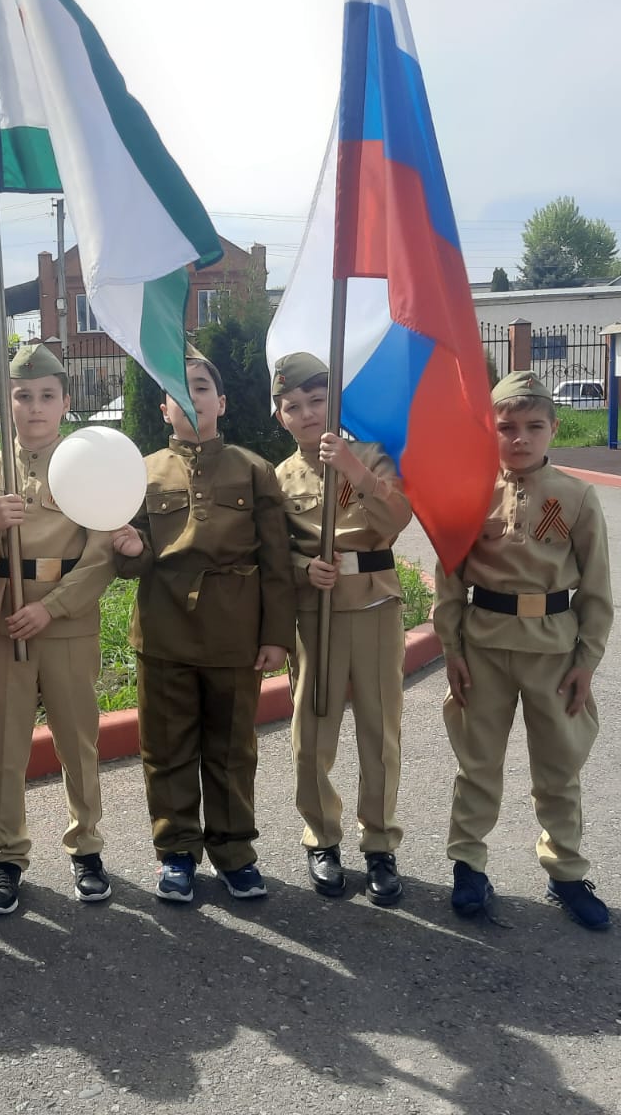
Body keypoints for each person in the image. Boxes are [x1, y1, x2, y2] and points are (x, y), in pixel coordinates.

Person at [433, 370, 614, 931]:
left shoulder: (577, 497)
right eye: (506, 427)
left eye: (534, 426)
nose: (519, 438)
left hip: (553, 653)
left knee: (559, 766)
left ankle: (565, 871)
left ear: (553, 429)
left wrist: (586, 661)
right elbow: (449, 577)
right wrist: (452, 649)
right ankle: (468, 864)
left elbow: (597, 588)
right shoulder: (471, 493)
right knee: (477, 763)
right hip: (484, 647)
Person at [111, 348, 293, 904]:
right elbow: (131, 564)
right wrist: (128, 547)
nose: (191, 399)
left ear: (223, 401)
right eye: (178, 390)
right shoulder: (139, 473)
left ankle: (235, 852)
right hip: (164, 628)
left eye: (201, 387)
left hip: (234, 631)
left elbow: (277, 562)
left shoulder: (253, 469)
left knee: (233, 749)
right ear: (164, 407)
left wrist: (275, 635)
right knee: (166, 749)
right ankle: (177, 854)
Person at [0, 343, 115, 916]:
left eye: (47, 396)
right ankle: (6, 854)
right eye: (23, 396)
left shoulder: (89, 468)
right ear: (7, 402)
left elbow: (101, 555)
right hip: (4, 618)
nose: (35, 407)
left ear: (66, 403)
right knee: (5, 744)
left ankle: (87, 848)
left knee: (78, 738)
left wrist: (56, 607)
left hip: (64, 619)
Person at [271, 352, 413, 905]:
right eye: (294, 406)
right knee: (313, 731)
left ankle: (378, 843)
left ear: (334, 401)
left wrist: (356, 472)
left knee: (379, 733)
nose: (308, 413)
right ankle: (322, 838)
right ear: (279, 415)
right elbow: (271, 552)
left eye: (317, 400)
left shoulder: (372, 455)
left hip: (375, 606)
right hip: (318, 609)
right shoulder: (279, 478)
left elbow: (399, 518)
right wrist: (302, 568)